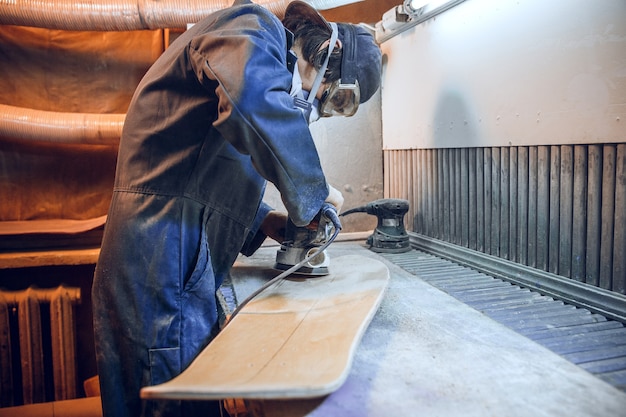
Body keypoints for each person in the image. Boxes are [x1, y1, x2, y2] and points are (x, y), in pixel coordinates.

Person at [91, 1, 382, 416]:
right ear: (325, 56)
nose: (321, 111)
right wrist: (314, 198)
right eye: (333, 101)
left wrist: (267, 220)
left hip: (169, 253)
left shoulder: (252, 64)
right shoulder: (252, 26)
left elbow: (202, 175)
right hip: (160, 259)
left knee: (180, 397)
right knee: (173, 402)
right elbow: (252, 103)